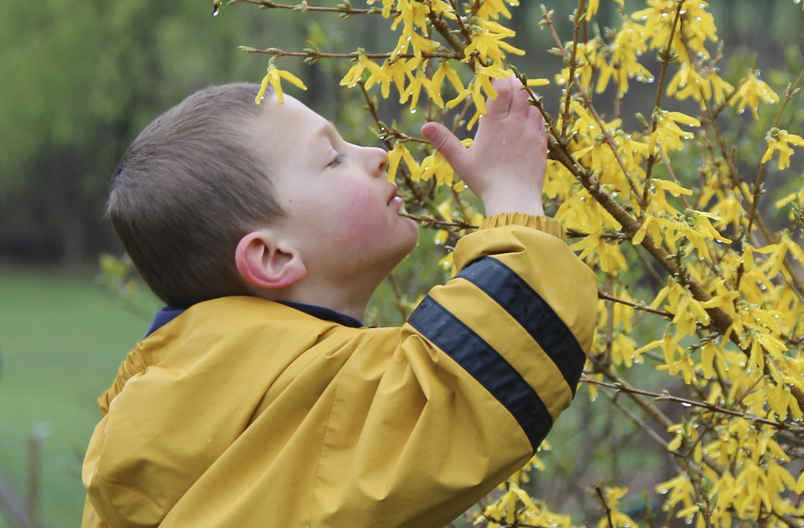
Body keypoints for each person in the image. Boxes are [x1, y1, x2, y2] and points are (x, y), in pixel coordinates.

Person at [81, 76, 598, 528]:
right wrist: (512, 199)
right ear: (273, 256)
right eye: (333, 158)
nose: (377, 155)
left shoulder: (145, 424)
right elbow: (465, 388)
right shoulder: (313, 397)